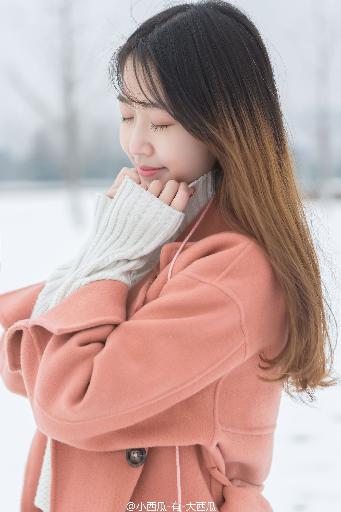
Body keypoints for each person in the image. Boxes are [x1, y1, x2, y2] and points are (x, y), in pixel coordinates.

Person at [0, 1, 338, 511]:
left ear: (223, 125)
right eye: (126, 115)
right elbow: (16, 350)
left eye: (160, 123)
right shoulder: (158, 234)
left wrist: (108, 260)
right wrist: (106, 253)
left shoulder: (232, 269)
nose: (136, 144)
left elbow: (71, 400)